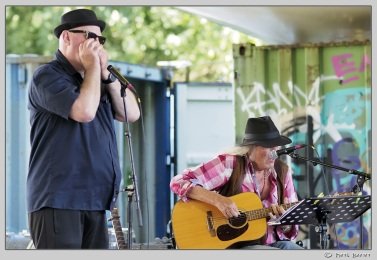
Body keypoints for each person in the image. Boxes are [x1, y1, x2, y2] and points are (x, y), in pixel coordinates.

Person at [27, 8, 140, 249]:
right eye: (90, 37)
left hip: (96, 201)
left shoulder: (98, 79)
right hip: (59, 200)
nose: (96, 45)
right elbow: (84, 112)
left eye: (100, 40)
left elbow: (131, 113)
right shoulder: (47, 76)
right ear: (67, 37)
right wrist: (92, 69)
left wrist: (106, 76)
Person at [170, 116, 303, 249]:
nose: (275, 152)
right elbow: (179, 181)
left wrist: (285, 223)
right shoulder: (230, 164)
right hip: (235, 246)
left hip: (271, 244)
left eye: (276, 146)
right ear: (252, 147)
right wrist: (218, 200)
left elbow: (291, 231)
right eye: (268, 147)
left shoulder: (283, 172)